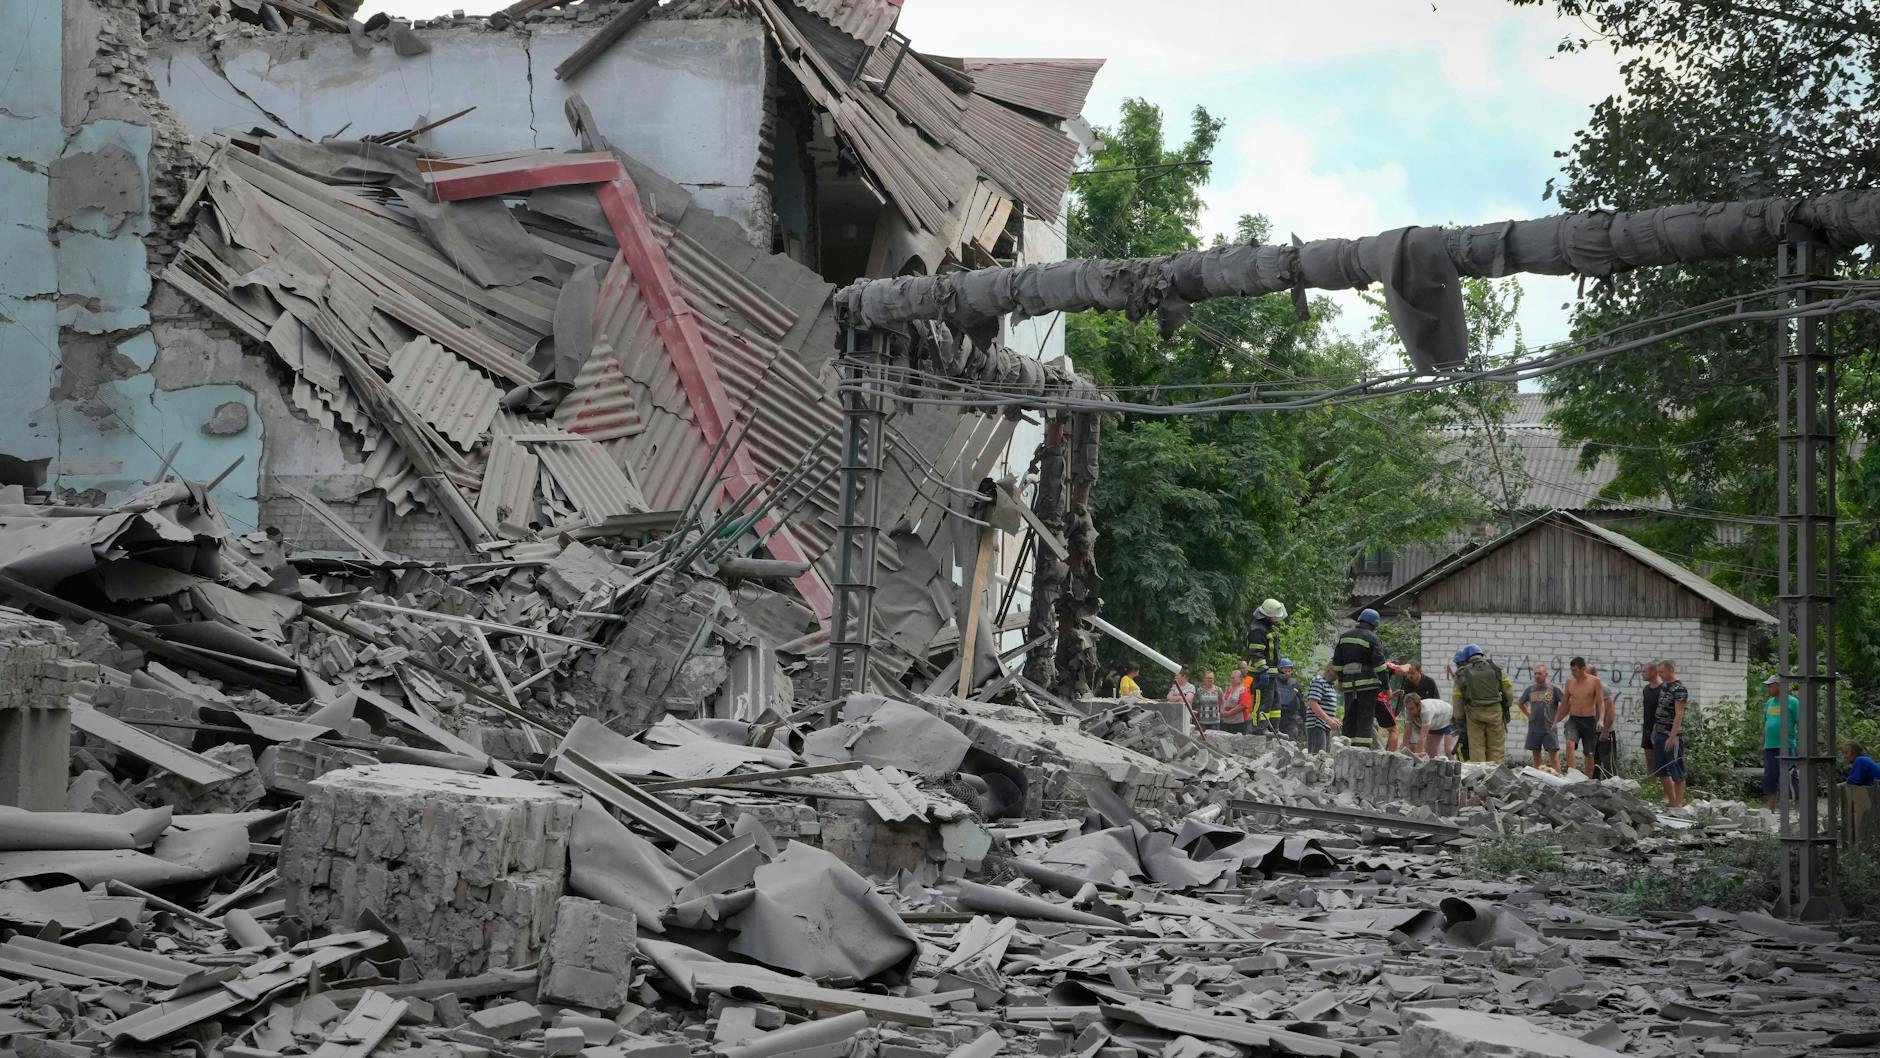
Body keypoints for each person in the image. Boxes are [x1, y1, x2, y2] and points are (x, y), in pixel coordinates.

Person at [1333, 609, 1391, 748]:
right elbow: (1380, 666)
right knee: (1365, 718)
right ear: (1374, 624)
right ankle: (1362, 750)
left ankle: (1345, 748)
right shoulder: (1372, 638)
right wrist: (1386, 687)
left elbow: (1337, 663)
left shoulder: (1344, 637)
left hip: (1348, 686)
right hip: (1367, 685)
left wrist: (1341, 680)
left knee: (1349, 717)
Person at [1451, 644, 1514, 763]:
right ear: (1481, 654)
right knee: (1496, 748)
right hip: (1495, 712)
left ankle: (1480, 778)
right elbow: (1509, 693)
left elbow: (1457, 699)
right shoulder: (1497, 669)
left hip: (1474, 714)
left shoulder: (1461, 674)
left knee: (1477, 748)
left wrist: (1459, 718)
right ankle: (1495, 776)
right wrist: (1506, 707)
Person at [1556, 657, 1607, 780]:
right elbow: (1564, 703)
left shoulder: (1595, 682)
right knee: (1569, 743)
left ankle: (1588, 780)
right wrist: (1555, 720)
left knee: (1589, 754)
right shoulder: (1570, 682)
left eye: (1575, 670)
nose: (1573, 673)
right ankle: (1572, 774)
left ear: (1583, 669)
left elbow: (1601, 703)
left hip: (1589, 720)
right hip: (1574, 719)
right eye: (1571, 670)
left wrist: (1600, 719)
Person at [1652, 659, 1689, 807]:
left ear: (1670, 671)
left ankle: (1678, 804)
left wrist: (1673, 736)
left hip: (1671, 734)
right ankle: (1672, 801)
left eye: (1661, 672)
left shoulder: (1679, 689)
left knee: (1676, 770)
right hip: (1659, 733)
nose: (1659, 675)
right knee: (1661, 770)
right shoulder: (1664, 687)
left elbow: (1679, 714)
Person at [1247, 598, 1287, 733]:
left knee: (1274, 702)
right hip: (1260, 674)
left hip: (1271, 673)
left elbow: (1272, 652)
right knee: (1261, 702)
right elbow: (1256, 652)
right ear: (1268, 615)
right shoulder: (1257, 629)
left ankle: (1273, 728)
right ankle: (1258, 728)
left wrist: (1277, 667)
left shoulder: (1268, 627)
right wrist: (1263, 669)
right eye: (1275, 616)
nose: (1277, 619)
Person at [1760, 674, 1799, 810]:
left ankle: (1794, 809)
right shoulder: (1769, 703)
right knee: (1770, 778)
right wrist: (1762, 740)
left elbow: (1800, 722)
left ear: (1779, 685)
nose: (1768, 688)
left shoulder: (1793, 702)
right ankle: (1771, 810)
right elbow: (1766, 722)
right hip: (1770, 747)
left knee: (1789, 778)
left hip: (1786, 746)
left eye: (1771, 685)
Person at [1519, 664, 1564, 772]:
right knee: (1536, 755)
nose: (1537, 676)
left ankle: (1558, 778)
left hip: (1549, 727)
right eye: (1535, 673)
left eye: (1540, 673)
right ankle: (1537, 779)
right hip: (1534, 727)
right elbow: (1521, 703)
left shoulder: (1553, 689)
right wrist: (1529, 715)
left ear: (1546, 675)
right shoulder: (1530, 689)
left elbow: (1565, 703)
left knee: (1553, 754)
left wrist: (1557, 719)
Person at [1388, 662, 1436, 755]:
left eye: (1412, 673)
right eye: (1408, 673)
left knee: (1428, 745)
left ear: (1419, 672)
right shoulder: (1407, 683)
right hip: (1414, 718)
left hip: (1427, 717)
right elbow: (1406, 702)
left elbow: (1435, 700)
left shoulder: (1430, 682)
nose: (1410, 676)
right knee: (1412, 743)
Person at [1587, 664, 1618, 778]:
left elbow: (1611, 712)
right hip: (1592, 733)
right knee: (1594, 764)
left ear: (1594, 675)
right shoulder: (1587, 688)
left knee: (1608, 764)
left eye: (1587, 674)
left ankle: (1614, 789)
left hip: (1604, 732)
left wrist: (1605, 731)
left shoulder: (1603, 688)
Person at [1305, 663, 1341, 753]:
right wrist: (1328, 720)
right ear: (1329, 669)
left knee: (1324, 756)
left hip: (1324, 724)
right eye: (1336, 672)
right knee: (1318, 756)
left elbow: (1324, 706)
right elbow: (1313, 703)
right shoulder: (1319, 681)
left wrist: (1332, 719)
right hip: (1317, 724)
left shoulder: (1329, 685)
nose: (1338, 676)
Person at [1639, 661, 1664, 777]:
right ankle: (1650, 785)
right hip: (1647, 728)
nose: (1642, 674)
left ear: (1654, 672)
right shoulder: (1646, 689)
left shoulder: (1663, 689)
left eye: (1645, 671)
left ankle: (1663, 785)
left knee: (1661, 759)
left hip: (1660, 729)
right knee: (1649, 759)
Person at [1273, 659, 1303, 739]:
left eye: (1289, 671)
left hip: (1291, 719)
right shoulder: (1273, 682)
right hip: (1276, 720)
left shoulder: (1294, 683)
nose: (1287, 673)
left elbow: (1301, 701)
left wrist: (1304, 718)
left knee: (1291, 741)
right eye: (1285, 671)